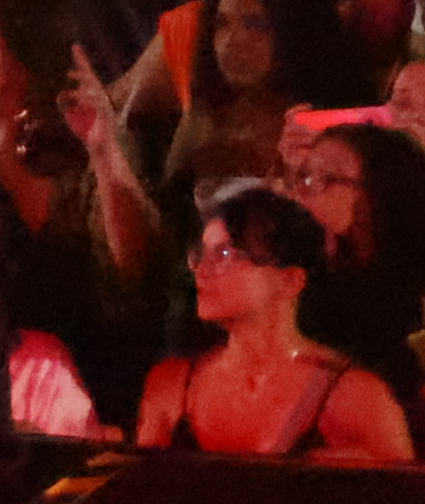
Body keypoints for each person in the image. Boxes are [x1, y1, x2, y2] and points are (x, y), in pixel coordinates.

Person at [135, 186, 416, 465]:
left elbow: (401, 500)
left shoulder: (354, 397)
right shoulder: (172, 387)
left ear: (291, 280)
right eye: (200, 255)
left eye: (225, 256)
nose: (203, 272)